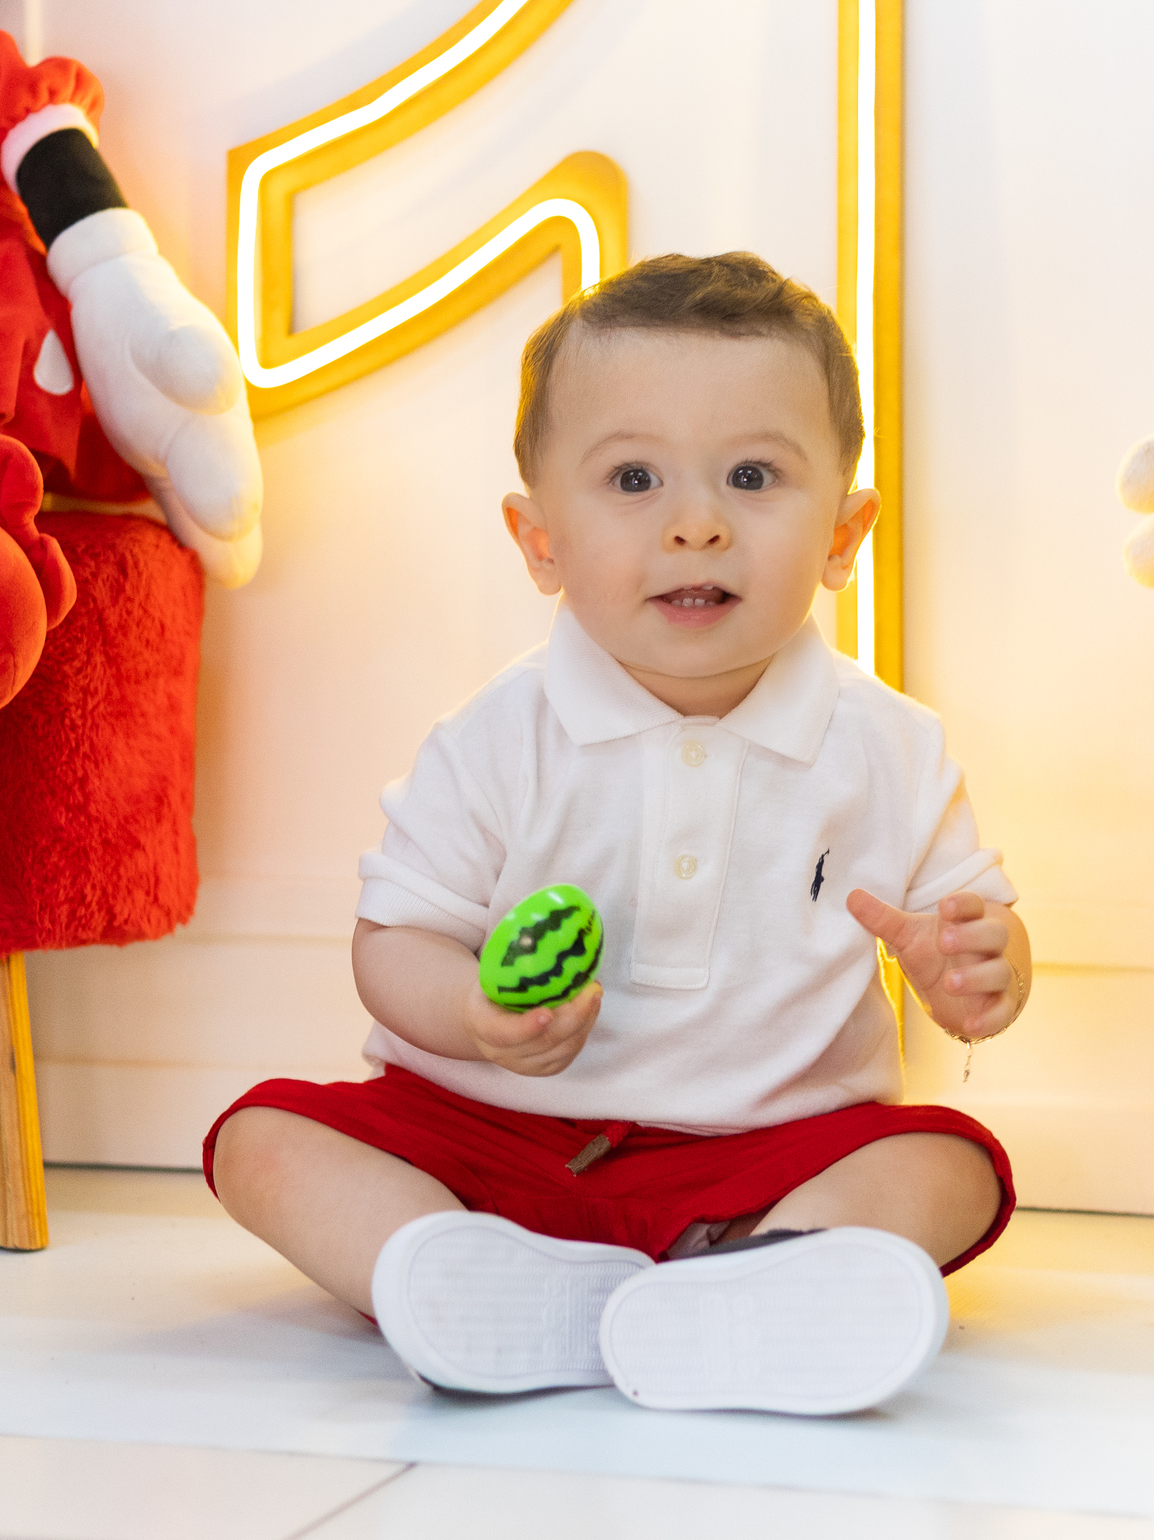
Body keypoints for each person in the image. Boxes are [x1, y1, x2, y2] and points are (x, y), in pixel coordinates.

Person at [206, 253, 1030, 1416]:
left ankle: (750, 1278)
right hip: (487, 1138)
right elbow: (394, 941)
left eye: (751, 476)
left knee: (949, 1166)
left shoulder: (888, 748)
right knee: (264, 1140)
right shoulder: (498, 735)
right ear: (540, 541)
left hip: (760, 1151)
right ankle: (466, 1270)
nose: (695, 525)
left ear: (845, 534)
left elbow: (975, 930)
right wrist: (476, 1020)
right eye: (634, 479)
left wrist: (976, 967)